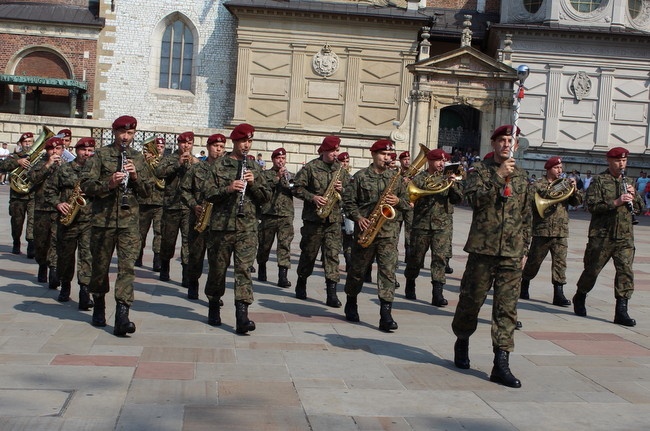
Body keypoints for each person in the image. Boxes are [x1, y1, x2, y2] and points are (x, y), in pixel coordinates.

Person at [451, 124, 532, 388]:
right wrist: (498, 176)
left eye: (511, 140)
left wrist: (524, 249)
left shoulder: (522, 176)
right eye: (502, 140)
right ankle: (462, 340)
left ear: (515, 146)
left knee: (506, 309)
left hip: (511, 252)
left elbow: (526, 217)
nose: (507, 144)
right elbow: (472, 199)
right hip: (482, 250)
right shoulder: (479, 171)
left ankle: (501, 363)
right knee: (471, 302)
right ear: (494, 143)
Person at [80, 115, 152, 336]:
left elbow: (149, 191)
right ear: (115, 132)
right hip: (103, 221)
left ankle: (123, 314)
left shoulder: (138, 158)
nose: (126, 137)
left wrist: (137, 177)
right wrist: (108, 184)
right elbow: (86, 185)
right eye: (122, 132)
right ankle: (99, 304)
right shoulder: (101, 155)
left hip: (129, 222)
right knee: (100, 267)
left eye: (130, 133)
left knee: (127, 268)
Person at [202, 123, 271, 333]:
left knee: (243, 271)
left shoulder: (255, 167)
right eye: (243, 141)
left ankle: (242, 316)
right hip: (221, 228)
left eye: (249, 141)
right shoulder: (219, 165)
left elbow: (266, 198)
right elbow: (207, 193)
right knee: (217, 271)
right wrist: (229, 188)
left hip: (247, 228)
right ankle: (214, 304)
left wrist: (254, 184)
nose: (246, 145)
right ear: (234, 142)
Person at [573, 147, 644, 327]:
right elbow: (591, 206)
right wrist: (616, 202)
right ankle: (580, 295)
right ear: (609, 161)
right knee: (592, 270)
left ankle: (621, 310)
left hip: (624, 236)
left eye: (624, 160)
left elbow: (641, 207)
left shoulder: (629, 181)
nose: (622, 164)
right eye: (618, 161)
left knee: (625, 272)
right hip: (602, 235)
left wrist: (634, 197)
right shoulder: (599, 181)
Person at [342, 139, 409, 331]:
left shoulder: (395, 177)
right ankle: (351, 300)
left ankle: (385, 314)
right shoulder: (360, 177)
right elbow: (348, 202)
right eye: (383, 154)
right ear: (373, 154)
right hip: (366, 231)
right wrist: (358, 218)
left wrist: (397, 200)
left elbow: (407, 203)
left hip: (388, 233)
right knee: (357, 271)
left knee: (387, 272)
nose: (387, 158)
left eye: (389, 155)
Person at [293, 135, 350, 307]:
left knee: (332, 256)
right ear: (324, 150)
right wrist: (313, 197)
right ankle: (301, 281)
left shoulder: (340, 169)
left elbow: (350, 193)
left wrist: (343, 189)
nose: (335, 154)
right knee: (309, 254)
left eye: (337, 150)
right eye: (332, 150)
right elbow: (296, 188)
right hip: (314, 221)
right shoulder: (311, 168)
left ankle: (331, 293)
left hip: (333, 221)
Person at [404, 148, 463, 306]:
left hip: (442, 226)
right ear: (429, 161)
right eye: (438, 160)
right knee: (416, 258)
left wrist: (453, 184)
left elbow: (458, 199)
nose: (441, 163)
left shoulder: (447, 179)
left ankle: (437, 293)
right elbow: (409, 195)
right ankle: (410, 282)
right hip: (421, 224)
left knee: (440, 258)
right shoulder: (419, 179)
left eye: (443, 161)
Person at [520, 156, 581, 307]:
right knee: (534, 262)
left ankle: (558, 293)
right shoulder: (538, 185)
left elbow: (577, 202)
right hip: (542, 230)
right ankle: (525, 283)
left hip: (560, 230)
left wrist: (574, 189)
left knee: (560, 263)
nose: (560, 170)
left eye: (561, 168)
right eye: (556, 168)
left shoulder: (566, 184)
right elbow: (531, 204)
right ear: (548, 169)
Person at [46, 137, 96, 308]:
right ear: (77, 150)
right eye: (84, 150)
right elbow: (49, 190)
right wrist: (58, 204)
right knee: (65, 257)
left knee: (87, 256)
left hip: (89, 221)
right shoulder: (64, 169)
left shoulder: (96, 171)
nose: (87, 154)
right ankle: (65, 285)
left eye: (90, 151)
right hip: (68, 221)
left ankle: (84, 291)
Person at [180, 133, 226, 300]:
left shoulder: (228, 170)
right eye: (215, 146)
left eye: (221, 147)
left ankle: (215, 293)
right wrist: (194, 205)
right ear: (208, 147)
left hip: (220, 221)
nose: (218, 150)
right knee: (196, 255)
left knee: (218, 260)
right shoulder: (196, 168)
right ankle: (193, 283)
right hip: (200, 217)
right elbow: (184, 190)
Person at [156, 131, 200, 285]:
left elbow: (205, 179)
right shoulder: (170, 159)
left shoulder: (196, 161)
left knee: (188, 241)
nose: (186, 146)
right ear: (178, 143)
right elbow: (159, 172)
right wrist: (178, 164)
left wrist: (196, 164)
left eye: (189, 143)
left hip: (189, 207)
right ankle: (165, 267)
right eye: (183, 143)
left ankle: (186, 274)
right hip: (171, 206)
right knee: (168, 240)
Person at [28, 136, 64, 288]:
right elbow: (33, 179)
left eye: (58, 149)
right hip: (41, 208)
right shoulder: (39, 164)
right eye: (51, 149)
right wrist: (48, 165)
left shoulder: (67, 166)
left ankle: (54, 271)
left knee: (56, 242)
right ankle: (42, 264)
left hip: (59, 210)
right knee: (41, 242)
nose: (54, 151)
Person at [256, 147, 295, 288]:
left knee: (284, 245)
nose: (281, 161)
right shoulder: (265, 175)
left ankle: (282, 276)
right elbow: (262, 187)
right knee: (264, 245)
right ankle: (262, 267)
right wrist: (277, 178)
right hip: (268, 215)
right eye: (278, 158)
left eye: (283, 158)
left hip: (286, 215)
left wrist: (289, 180)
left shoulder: (290, 175)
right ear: (273, 159)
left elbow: (296, 189)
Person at [136, 136, 165, 271]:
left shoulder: (163, 162)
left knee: (159, 232)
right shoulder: (142, 161)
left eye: (160, 147)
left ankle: (157, 258)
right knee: (141, 231)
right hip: (144, 201)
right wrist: (145, 164)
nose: (158, 149)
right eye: (155, 146)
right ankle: (138, 255)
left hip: (159, 202)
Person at [9, 132, 36, 256]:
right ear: (20, 143)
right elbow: (2, 166)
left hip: (32, 195)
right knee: (17, 222)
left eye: (30, 141)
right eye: (25, 142)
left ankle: (31, 245)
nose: (28, 144)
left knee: (32, 221)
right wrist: (18, 162)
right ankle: (16, 241)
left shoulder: (37, 157)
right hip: (17, 196)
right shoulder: (14, 156)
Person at [338, 152, 355, 271]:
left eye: (347, 161)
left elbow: (353, 194)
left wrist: (342, 190)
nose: (345, 164)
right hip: (333, 210)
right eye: (343, 161)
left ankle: (349, 261)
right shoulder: (334, 175)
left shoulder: (350, 177)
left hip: (345, 210)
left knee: (348, 236)